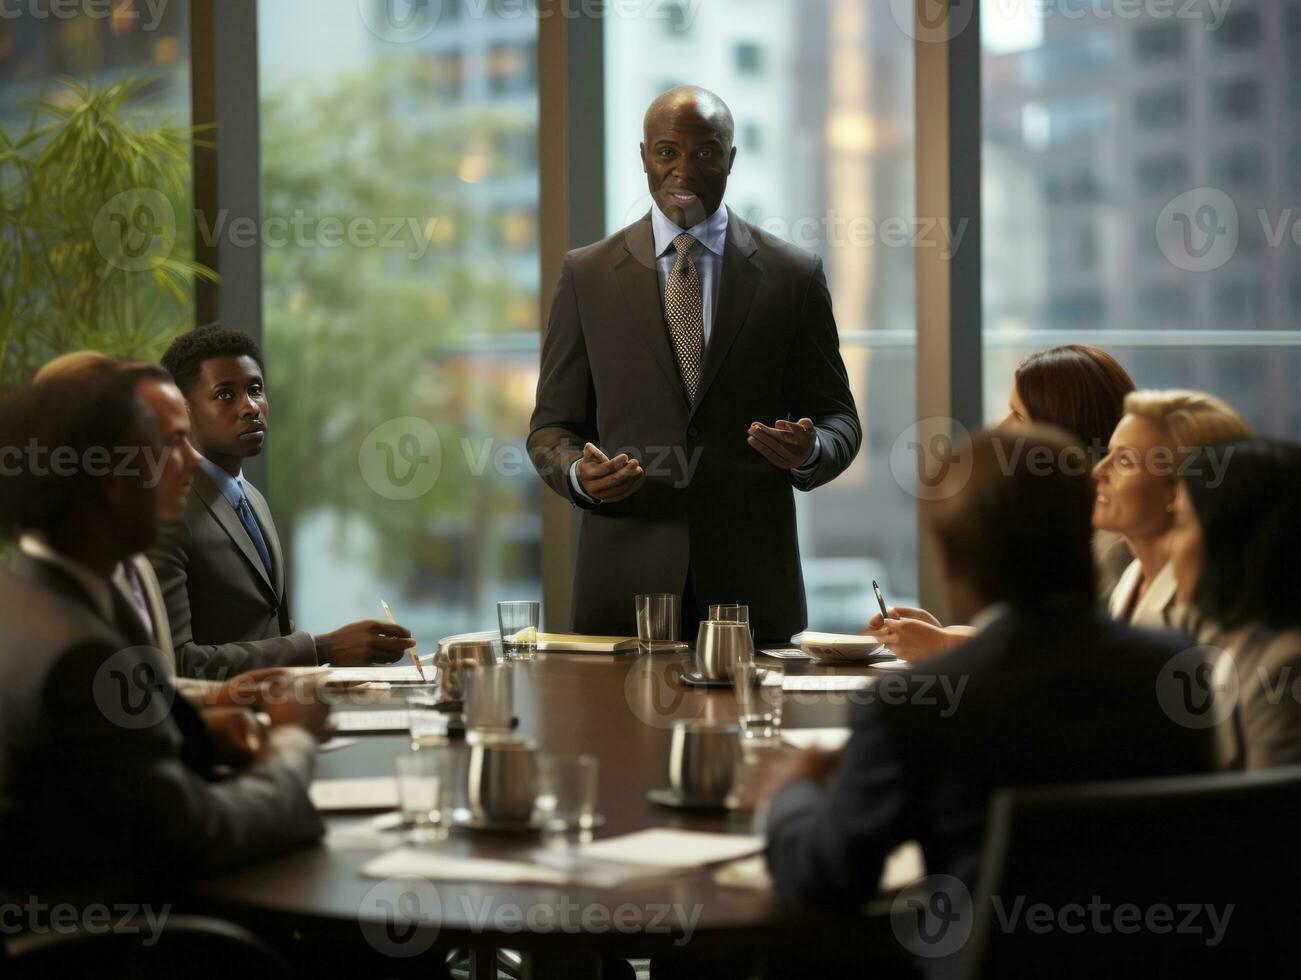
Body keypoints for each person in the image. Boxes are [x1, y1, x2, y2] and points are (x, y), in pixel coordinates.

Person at [755, 427, 1214, 954]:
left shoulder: (915, 705)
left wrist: (792, 793)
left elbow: (829, 880)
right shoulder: (1176, 675)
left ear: (953, 562)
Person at [528, 86, 860, 642]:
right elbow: (550, 427)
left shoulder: (792, 275)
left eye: (705, 152)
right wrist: (577, 475)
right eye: (666, 151)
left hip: (752, 589)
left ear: (731, 157)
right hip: (622, 587)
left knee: (756, 732)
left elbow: (839, 421)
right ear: (643, 157)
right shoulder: (586, 275)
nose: (683, 169)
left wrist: (811, 451)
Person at [0, 370, 327, 896]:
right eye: (170, 444)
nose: (193, 461)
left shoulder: (34, 589)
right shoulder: (77, 657)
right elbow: (205, 835)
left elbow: (111, 762)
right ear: (107, 474)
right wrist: (294, 740)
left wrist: (196, 730)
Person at [150, 326, 416, 679]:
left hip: (279, 718)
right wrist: (321, 649)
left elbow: (270, 629)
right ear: (183, 409)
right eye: (225, 395)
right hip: (216, 728)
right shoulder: (169, 511)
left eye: (255, 389)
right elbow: (177, 663)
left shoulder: (253, 500)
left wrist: (338, 661)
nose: (250, 407)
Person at [865, 344, 1136, 659]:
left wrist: (944, 645)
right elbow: (1042, 637)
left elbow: (1074, 656)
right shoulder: (1072, 527)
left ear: (1061, 432)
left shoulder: (1112, 545)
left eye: (1019, 415)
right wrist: (944, 635)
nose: (1002, 427)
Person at [1170, 438, 1301, 770]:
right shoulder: (1217, 635)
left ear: (1228, 540)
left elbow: (1266, 814)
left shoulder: (1284, 666)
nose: (1170, 544)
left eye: (1180, 523)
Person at [1097, 389, 1251, 632]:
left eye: (1124, 460)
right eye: (1109, 454)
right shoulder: (1132, 577)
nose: (1098, 471)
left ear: (1182, 490)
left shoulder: (1207, 611)